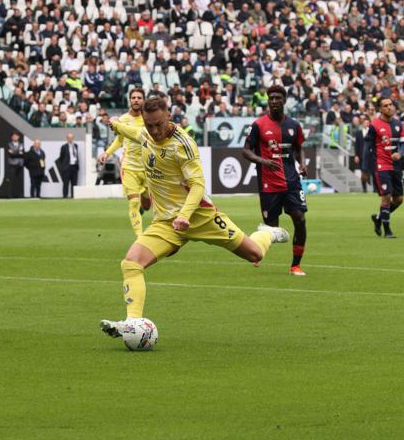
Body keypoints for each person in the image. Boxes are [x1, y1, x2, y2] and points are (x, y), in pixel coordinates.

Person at [100, 96, 289, 340]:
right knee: (131, 263)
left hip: (200, 216)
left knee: (255, 254)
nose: (154, 130)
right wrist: (115, 125)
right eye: (149, 125)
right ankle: (132, 322)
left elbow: (198, 186)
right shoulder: (144, 134)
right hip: (166, 224)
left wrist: (185, 215)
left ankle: (268, 232)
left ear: (168, 115)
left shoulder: (183, 144)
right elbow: (132, 131)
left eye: (158, 124)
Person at [242, 85, 308, 276]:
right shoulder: (259, 125)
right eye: (271, 98)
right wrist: (264, 161)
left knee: (300, 220)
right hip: (268, 184)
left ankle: (296, 265)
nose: (274, 101)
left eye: (278, 98)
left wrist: (302, 164)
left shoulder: (294, 125)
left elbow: (299, 148)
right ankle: (258, 249)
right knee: (271, 228)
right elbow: (245, 150)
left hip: (292, 182)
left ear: (284, 100)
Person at [98, 88, 150, 236]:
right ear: (130, 100)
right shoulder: (123, 119)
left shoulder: (148, 119)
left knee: (147, 205)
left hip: (147, 168)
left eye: (139, 98)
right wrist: (107, 153)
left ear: (143, 101)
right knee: (133, 202)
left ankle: (141, 209)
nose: (136, 100)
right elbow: (120, 139)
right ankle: (140, 238)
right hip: (129, 167)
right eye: (133, 97)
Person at [367, 98, 404, 238]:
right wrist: (366, 169)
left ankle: (378, 218)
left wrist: (400, 153)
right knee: (386, 196)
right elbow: (367, 147)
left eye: (390, 105)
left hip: (395, 166)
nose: (389, 107)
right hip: (381, 165)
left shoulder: (398, 124)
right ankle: (387, 231)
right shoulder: (374, 125)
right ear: (380, 109)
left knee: (399, 199)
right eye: (386, 106)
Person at [353, 116, 373, 193]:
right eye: (365, 123)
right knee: (363, 173)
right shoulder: (359, 133)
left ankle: (374, 189)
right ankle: (364, 189)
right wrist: (356, 155)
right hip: (362, 156)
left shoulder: (372, 132)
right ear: (362, 124)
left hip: (371, 155)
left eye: (368, 123)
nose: (366, 124)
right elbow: (356, 145)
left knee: (372, 173)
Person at [58, 133, 80, 198]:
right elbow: (61, 157)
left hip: (74, 167)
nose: (70, 139)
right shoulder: (64, 147)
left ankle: (73, 196)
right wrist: (63, 166)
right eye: (69, 138)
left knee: (74, 183)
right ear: (67, 139)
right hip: (67, 167)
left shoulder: (76, 146)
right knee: (66, 183)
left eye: (71, 138)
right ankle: (65, 196)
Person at [6, 131, 25, 198]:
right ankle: (10, 195)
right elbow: (11, 154)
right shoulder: (9, 144)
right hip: (12, 164)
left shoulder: (21, 144)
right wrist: (18, 153)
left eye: (16, 136)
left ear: (18, 137)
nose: (15, 137)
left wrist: (15, 153)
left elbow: (22, 154)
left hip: (20, 164)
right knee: (11, 180)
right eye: (14, 136)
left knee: (20, 181)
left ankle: (20, 195)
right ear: (12, 137)